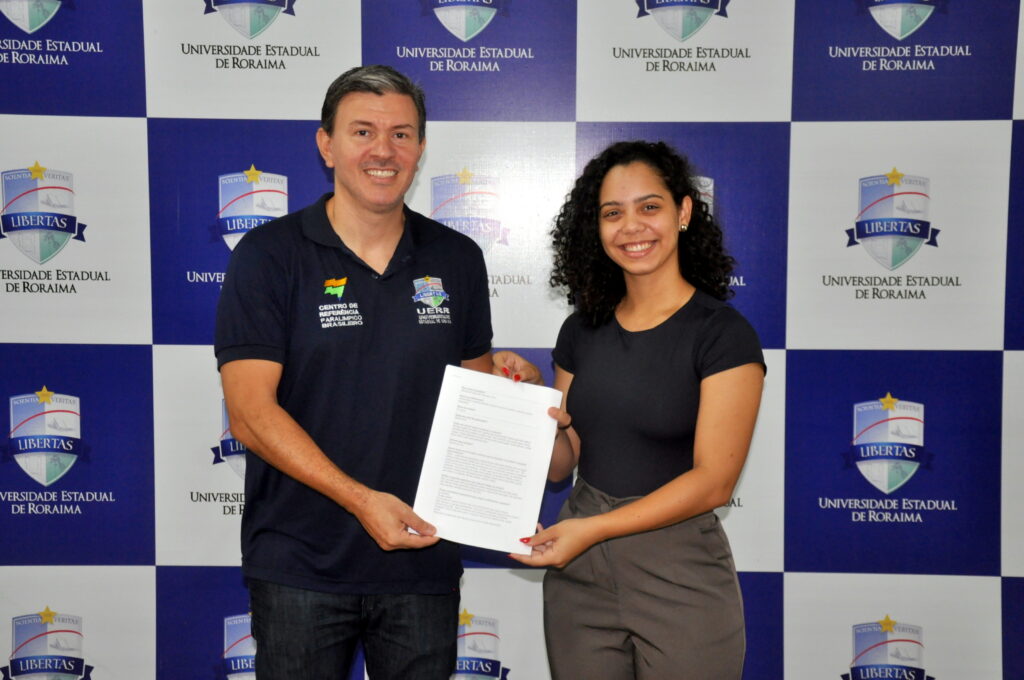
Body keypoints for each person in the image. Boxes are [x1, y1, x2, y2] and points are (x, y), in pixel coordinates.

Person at [214, 64, 538, 680]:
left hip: (423, 560)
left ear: (420, 147)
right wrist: (363, 502)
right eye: (363, 132)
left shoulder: (457, 258)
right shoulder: (268, 255)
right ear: (326, 144)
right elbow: (251, 416)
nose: (383, 151)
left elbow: (474, 396)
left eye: (401, 134)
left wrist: (510, 389)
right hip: (301, 566)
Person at [511, 140, 765, 680]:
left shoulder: (722, 334)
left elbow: (714, 483)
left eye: (649, 206)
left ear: (684, 212)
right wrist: (534, 411)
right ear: (596, 227)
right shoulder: (581, 329)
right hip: (580, 575)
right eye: (612, 213)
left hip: (678, 574)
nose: (632, 227)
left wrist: (595, 529)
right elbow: (561, 465)